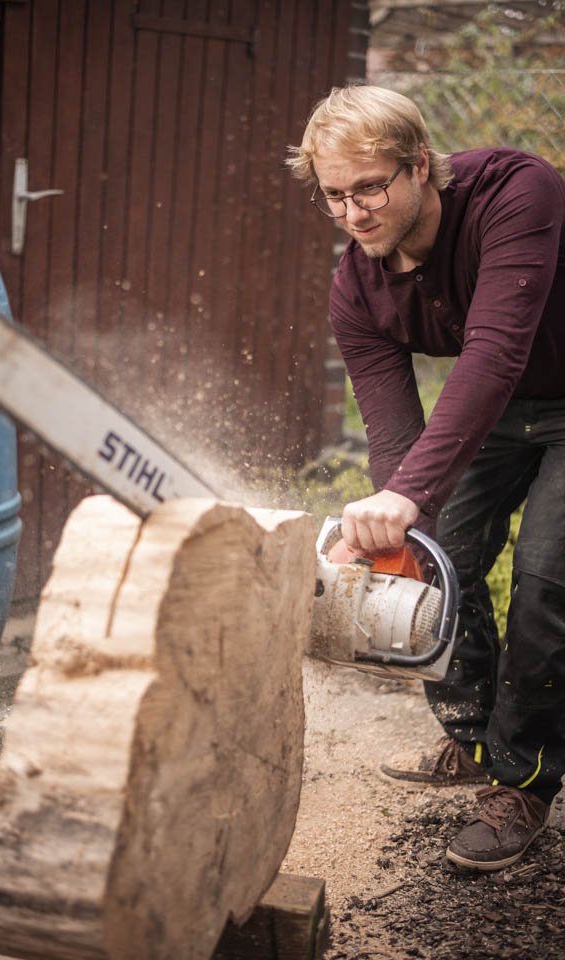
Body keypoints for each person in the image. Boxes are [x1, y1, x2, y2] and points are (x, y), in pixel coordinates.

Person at [286, 83, 565, 872]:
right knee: (439, 557)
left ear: (420, 168)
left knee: (547, 576)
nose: (354, 213)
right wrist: (396, 518)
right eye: (334, 196)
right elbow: (396, 435)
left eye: (370, 187)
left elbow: (494, 350)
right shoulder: (356, 286)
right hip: (506, 404)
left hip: (519, 379)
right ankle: (474, 739)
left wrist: (409, 493)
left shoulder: (517, 192)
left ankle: (526, 783)